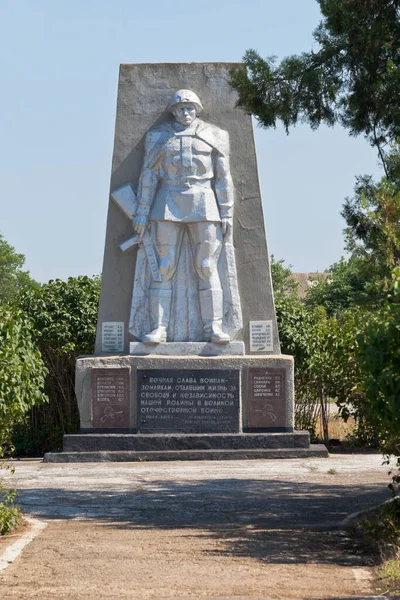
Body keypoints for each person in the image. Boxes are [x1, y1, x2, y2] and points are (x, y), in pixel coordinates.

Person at [132, 89, 235, 344]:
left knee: (206, 266)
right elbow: (149, 176)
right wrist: (143, 211)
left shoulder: (215, 136)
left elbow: (223, 178)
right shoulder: (159, 137)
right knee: (163, 267)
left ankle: (214, 328)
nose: (185, 112)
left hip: (204, 202)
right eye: (180, 108)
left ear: (197, 109)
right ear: (174, 111)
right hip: (166, 201)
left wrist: (227, 212)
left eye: (190, 108)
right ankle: (158, 328)